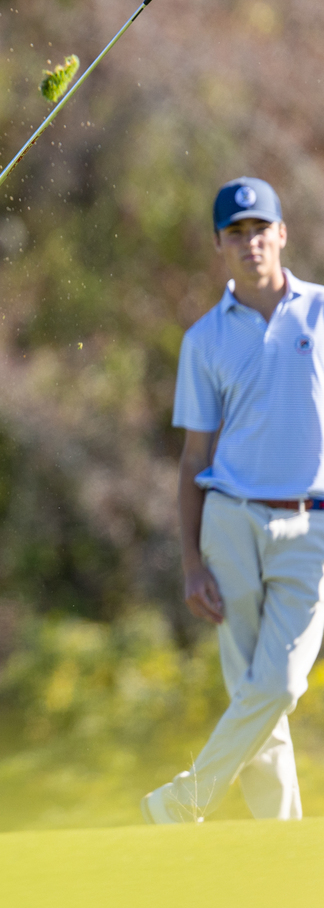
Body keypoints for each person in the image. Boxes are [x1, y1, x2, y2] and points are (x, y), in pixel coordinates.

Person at [147, 177, 324, 823]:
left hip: (312, 527)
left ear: (282, 234)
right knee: (251, 694)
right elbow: (194, 458)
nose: (250, 243)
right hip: (229, 524)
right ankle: (278, 858)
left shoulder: (322, 313)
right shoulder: (204, 340)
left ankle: (188, 799)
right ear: (219, 245)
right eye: (236, 233)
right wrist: (191, 562)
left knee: (278, 686)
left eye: (260, 230)